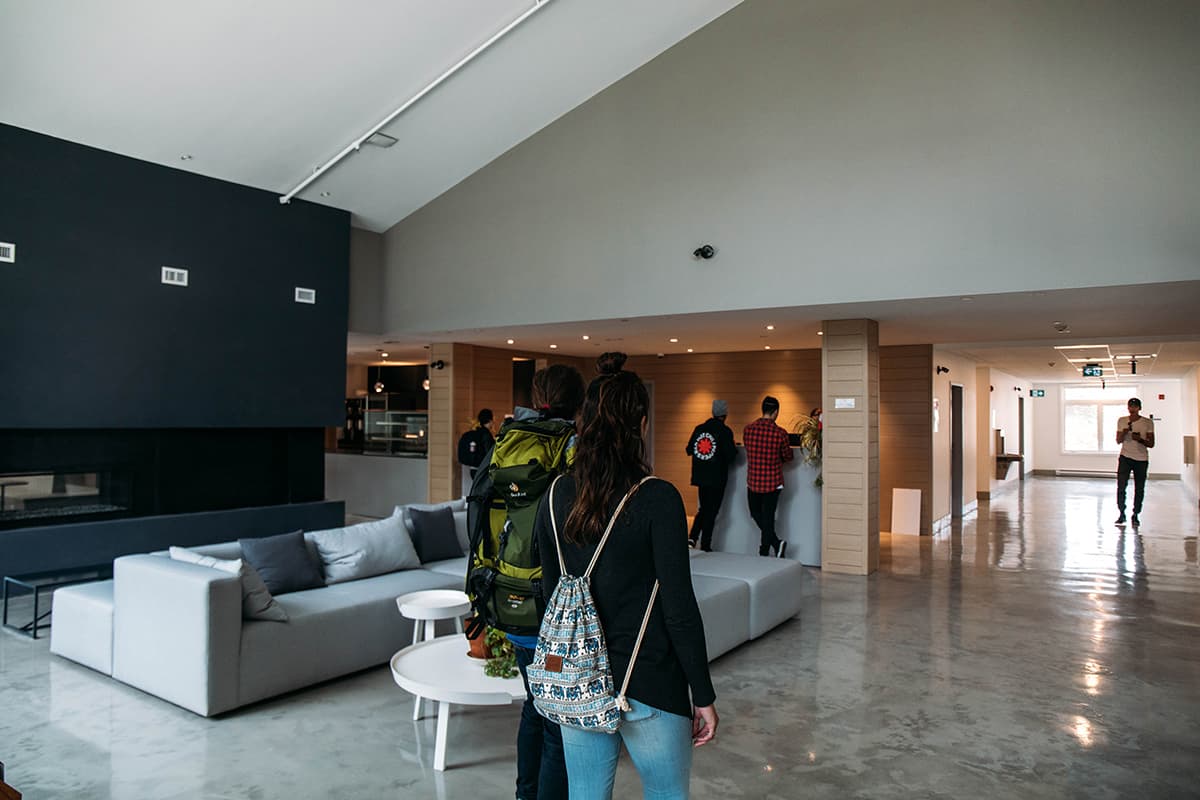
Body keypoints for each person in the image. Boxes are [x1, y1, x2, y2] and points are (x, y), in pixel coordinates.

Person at [534, 358, 718, 800]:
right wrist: (703, 694)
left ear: (585, 420)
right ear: (641, 423)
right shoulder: (657, 497)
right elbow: (679, 608)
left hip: (578, 680)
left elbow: (546, 590)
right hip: (649, 679)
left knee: (585, 794)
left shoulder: (556, 492)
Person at [500, 365, 585, 800]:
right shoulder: (571, 447)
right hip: (552, 611)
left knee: (535, 707)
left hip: (511, 603)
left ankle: (524, 794)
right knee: (556, 722)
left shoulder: (508, 439)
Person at [743, 395, 793, 557]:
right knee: (768, 516)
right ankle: (773, 545)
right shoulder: (780, 433)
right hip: (773, 481)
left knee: (755, 513)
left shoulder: (748, 430)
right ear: (776, 412)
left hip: (754, 481)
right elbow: (788, 456)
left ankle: (769, 547)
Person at [685, 399, 736, 551]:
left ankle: (692, 537)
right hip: (717, 478)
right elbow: (731, 456)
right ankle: (705, 544)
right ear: (725, 414)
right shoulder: (725, 432)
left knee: (704, 508)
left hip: (700, 476)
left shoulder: (699, 429)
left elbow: (689, 449)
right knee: (712, 511)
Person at [1115, 397, 1155, 526]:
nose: (1132, 409)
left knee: (1140, 488)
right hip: (1125, 457)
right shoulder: (1122, 421)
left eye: (1135, 406)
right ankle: (1121, 513)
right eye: (1130, 406)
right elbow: (1118, 441)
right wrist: (1124, 433)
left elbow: (1151, 443)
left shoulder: (1147, 422)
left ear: (1139, 408)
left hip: (1141, 459)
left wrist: (1140, 439)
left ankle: (1136, 514)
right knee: (1121, 486)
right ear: (1128, 407)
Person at [457, 408, 495, 478]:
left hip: (473, 468)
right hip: (482, 470)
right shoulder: (486, 434)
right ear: (490, 421)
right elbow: (489, 453)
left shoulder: (477, 433)